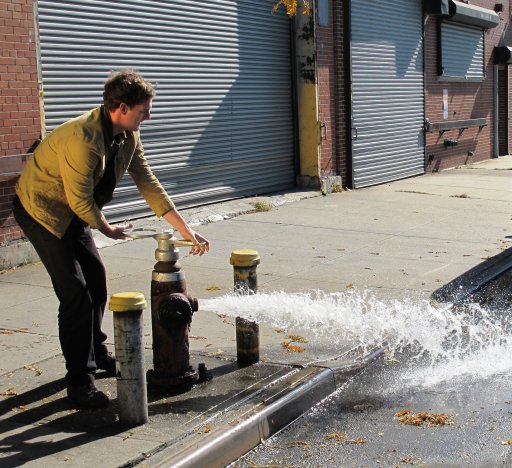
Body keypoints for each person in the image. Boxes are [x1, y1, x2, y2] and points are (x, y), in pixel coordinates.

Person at [12, 69, 209, 409]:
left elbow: (147, 181)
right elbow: (80, 201)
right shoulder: (84, 139)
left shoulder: (128, 135)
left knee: (97, 283)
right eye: (144, 109)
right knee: (76, 295)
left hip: (75, 214)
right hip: (42, 211)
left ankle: (96, 352)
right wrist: (107, 228)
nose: (149, 115)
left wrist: (183, 228)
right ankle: (80, 382)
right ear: (121, 107)